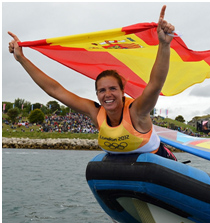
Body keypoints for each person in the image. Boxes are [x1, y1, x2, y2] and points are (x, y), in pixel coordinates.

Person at [8, 5, 176, 160]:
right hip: (124, 169)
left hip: (158, 162)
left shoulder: (138, 111)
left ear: (122, 91)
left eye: (112, 89)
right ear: (97, 94)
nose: (107, 94)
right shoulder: (96, 113)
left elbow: (155, 84)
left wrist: (164, 44)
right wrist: (22, 59)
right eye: (102, 90)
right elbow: (55, 90)